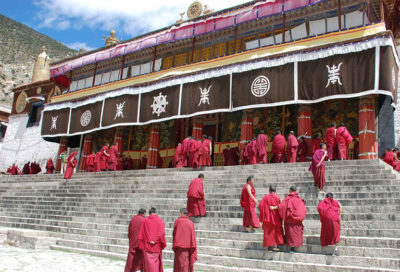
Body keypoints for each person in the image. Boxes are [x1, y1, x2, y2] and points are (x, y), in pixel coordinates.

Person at [278, 186, 307, 252]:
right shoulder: (299, 200)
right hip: (298, 220)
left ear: (290, 191)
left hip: (290, 220)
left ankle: (292, 247)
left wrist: (275, 207)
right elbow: (303, 210)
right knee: (296, 232)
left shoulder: (287, 199)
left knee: (291, 232)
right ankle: (296, 244)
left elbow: (281, 206)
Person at [138, 207, 166, 272]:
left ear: (149, 213)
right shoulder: (160, 221)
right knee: (155, 265)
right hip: (156, 246)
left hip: (147, 246)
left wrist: (148, 240)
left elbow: (141, 234)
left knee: (148, 265)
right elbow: (162, 234)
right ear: (155, 213)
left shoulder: (145, 221)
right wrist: (158, 242)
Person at [259, 185, 284, 251]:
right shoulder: (278, 198)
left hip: (268, 218)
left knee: (269, 232)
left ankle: (270, 247)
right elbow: (281, 206)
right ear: (275, 191)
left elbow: (261, 206)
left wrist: (264, 213)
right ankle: (277, 245)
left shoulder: (265, 197)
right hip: (276, 218)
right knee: (276, 231)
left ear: (269, 190)